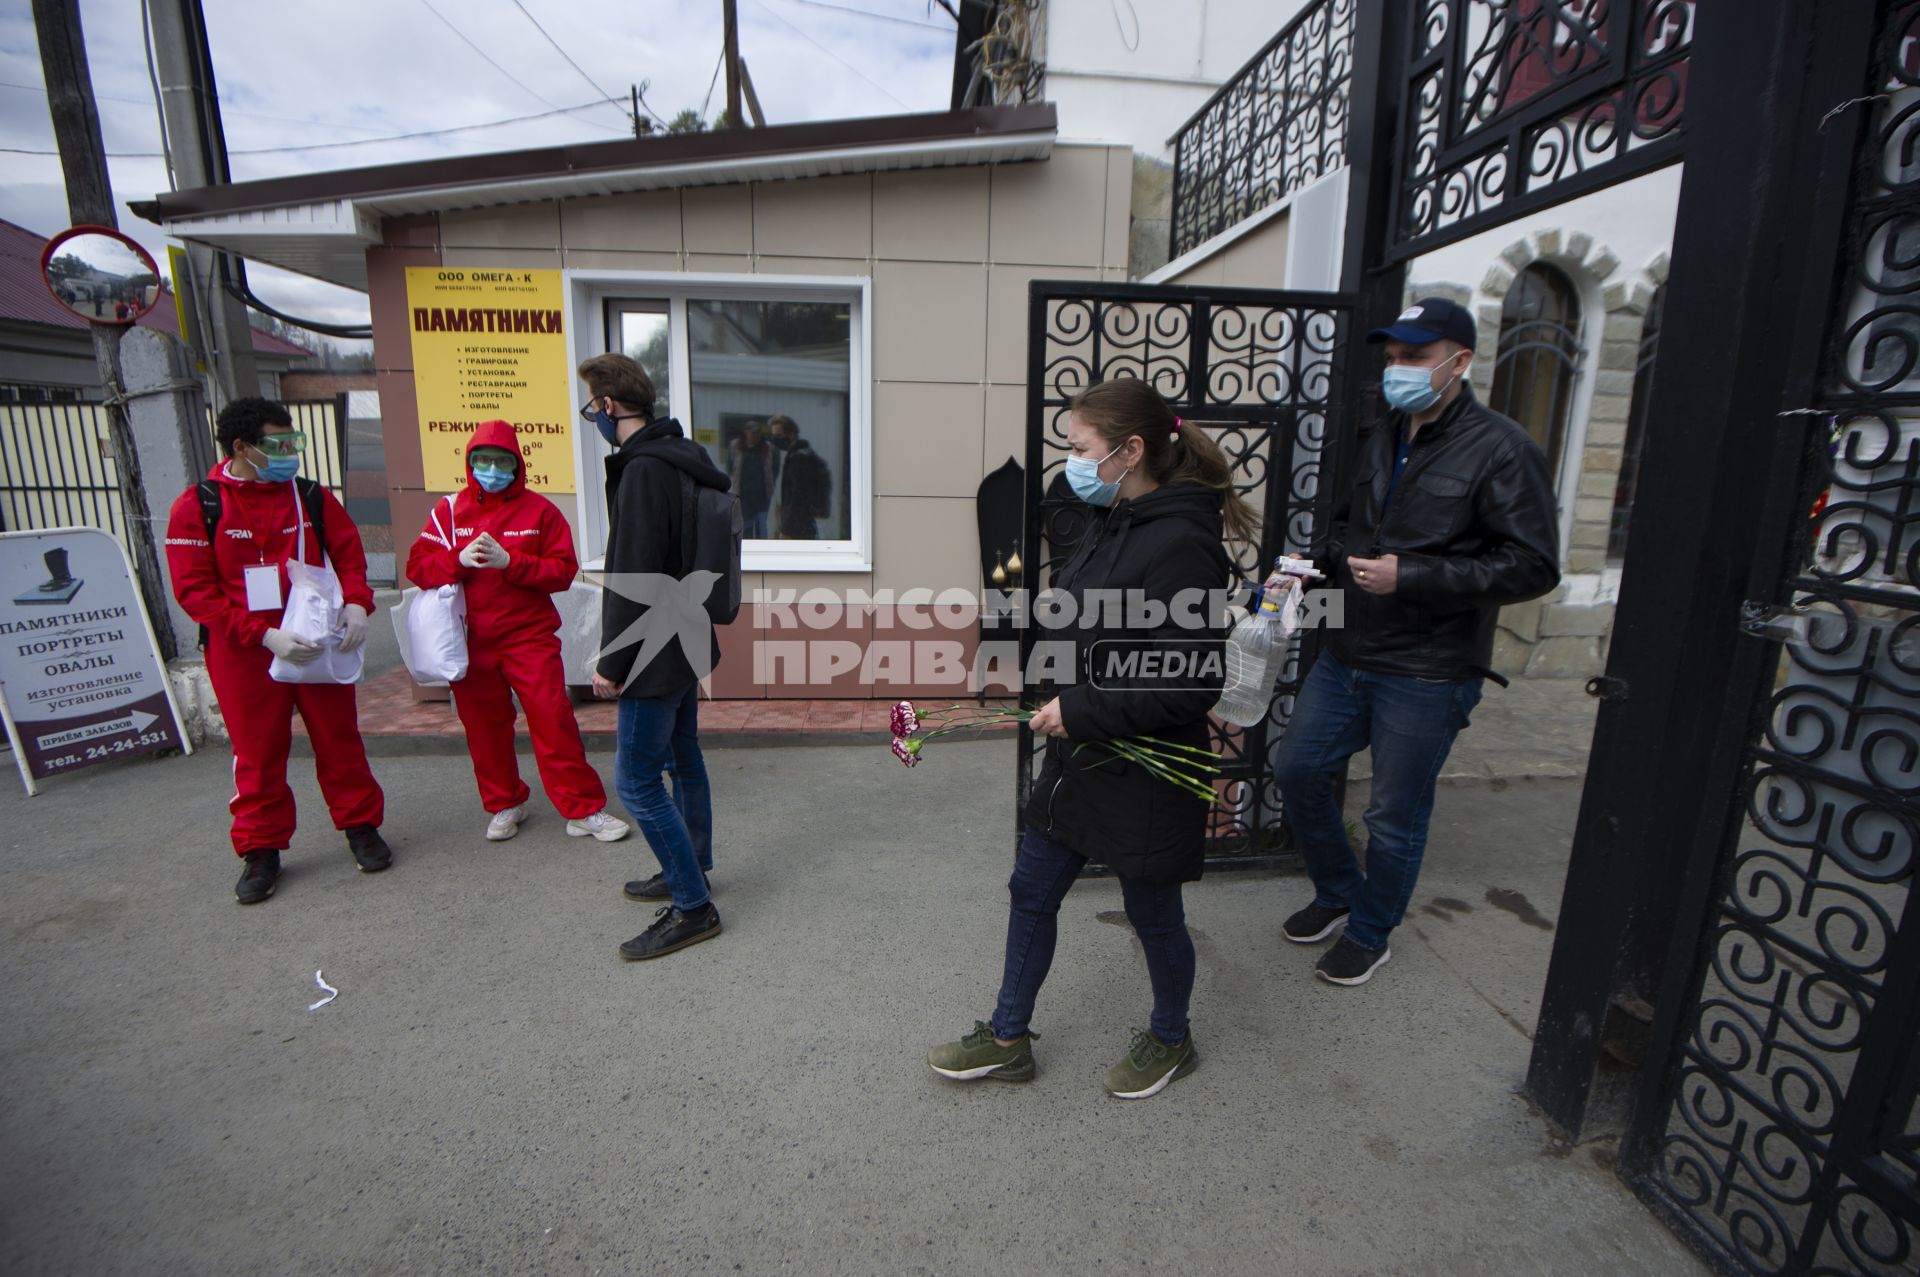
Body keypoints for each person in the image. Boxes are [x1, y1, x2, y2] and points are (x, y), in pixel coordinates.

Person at [927, 378, 1244, 1099]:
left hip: (1149, 769)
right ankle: (1009, 1037)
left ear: (1131, 451)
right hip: (1083, 758)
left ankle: (1172, 1035)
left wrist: (1082, 708)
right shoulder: (1117, 516)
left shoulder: (1184, 543)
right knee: (1031, 886)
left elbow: (1193, 680)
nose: (1070, 462)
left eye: (1080, 449)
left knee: (1152, 912)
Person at [1273, 297, 1560, 986]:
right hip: (1348, 648)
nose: (1398, 369)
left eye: (1415, 356)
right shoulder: (1384, 430)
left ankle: (1372, 932)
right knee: (1298, 769)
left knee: (1393, 814)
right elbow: (1347, 525)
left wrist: (1415, 574)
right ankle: (1341, 890)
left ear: (1459, 362)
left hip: (1428, 668)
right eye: (1393, 356)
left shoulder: (1503, 449)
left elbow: (1533, 565)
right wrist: (1309, 567)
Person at [164, 396, 391, 904]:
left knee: (339, 740)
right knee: (258, 751)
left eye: (295, 442)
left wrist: (356, 604)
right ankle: (260, 849)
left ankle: (360, 826)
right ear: (242, 447)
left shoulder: (308, 496)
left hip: (314, 639)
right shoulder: (200, 505)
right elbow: (194, 591)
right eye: (280, 444)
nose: (292, 452)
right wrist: (261, 635)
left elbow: (349, 553)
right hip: (244, 650)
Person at [405, 420, 631, 846]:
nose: (492, 469)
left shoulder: (540, 511)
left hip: (529, 639)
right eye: (483, 460)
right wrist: (457, 559)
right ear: (470, 463)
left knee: (553, 721)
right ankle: (504, 802)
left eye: (502, 461)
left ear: (518, 465)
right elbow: (417, 567)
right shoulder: (449, 512)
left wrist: (512, 563)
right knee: (484, 727)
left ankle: (582, 808)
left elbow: (563, 572)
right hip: (469, 642)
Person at [580, 352, 732, 961]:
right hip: (685, 633)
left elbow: (633, 572)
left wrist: (612, 662)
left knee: (637, 781)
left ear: (610, 406)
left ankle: (693, 907)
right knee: (682, 757)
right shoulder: (684, 458)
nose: (591, 413)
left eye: (592, 403)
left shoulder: (643, 469)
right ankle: (687, 869)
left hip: (650, 647)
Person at [768, 414, 830, 540]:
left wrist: (787, 529)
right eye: (773, 436)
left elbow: (799, 497)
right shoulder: (802, 454)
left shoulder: (799, 459)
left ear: (791, 434)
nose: (775, 440)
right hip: (804, 523)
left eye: (778, 435)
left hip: (797, 528)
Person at [728, 421, 774, 539]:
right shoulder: (736, 446)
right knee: (745, 525)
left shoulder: (767, 448)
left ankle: (762, 551)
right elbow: (730, 467)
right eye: (753, 432)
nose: (756, 435)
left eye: (758, 433)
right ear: (746, 433)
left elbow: (775, 469)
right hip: (744, 495)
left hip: (762, 496)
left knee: (761, 526)